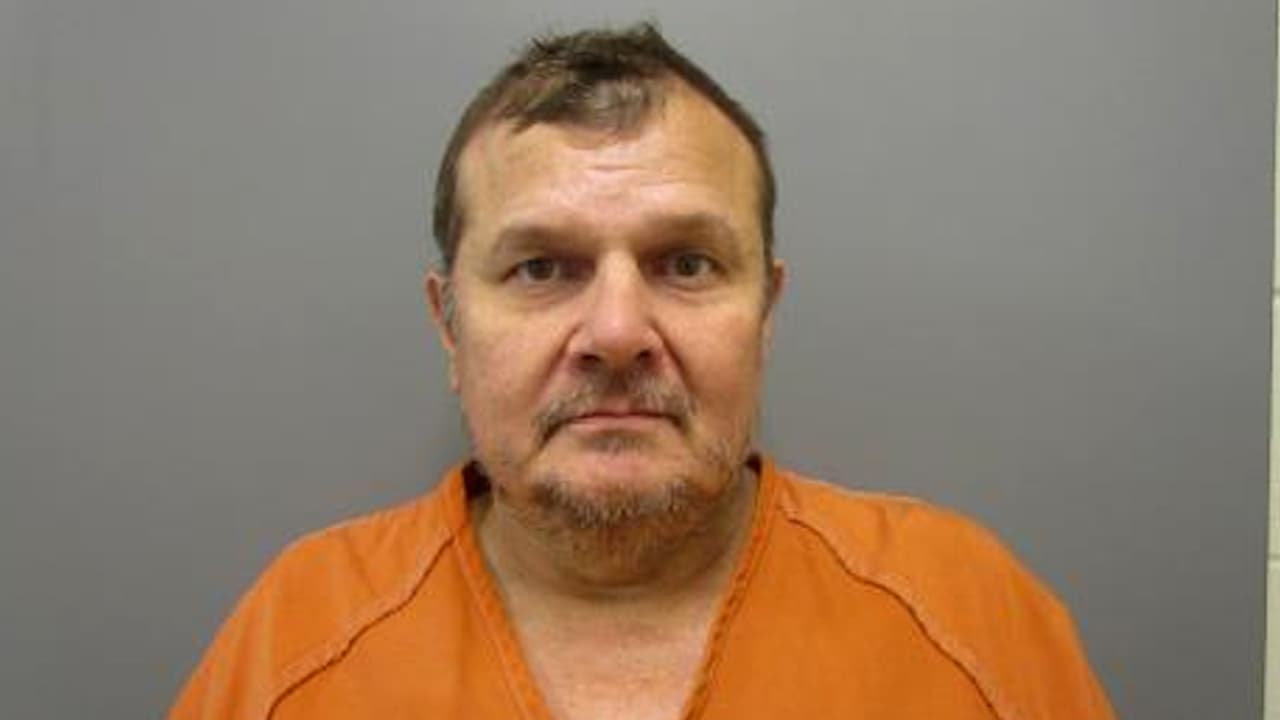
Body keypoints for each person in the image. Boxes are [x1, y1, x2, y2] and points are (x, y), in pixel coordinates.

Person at [169, 23, 1114, 720]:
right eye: (542, 268)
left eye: (686, 264)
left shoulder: (973, 617)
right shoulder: (295, 636)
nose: (617, 333)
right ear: (448, 328)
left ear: (766, 316)